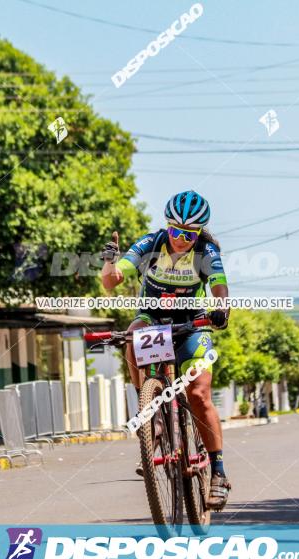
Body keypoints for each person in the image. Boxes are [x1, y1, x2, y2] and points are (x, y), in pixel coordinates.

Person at [99, 190, 232, 511]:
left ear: (199, 233)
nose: (182, 238)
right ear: (167, 226)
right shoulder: (150, 244)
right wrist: (108, 260)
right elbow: (111, 282)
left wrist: (222, 309)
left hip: (192, 322)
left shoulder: (205, 250)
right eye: (176, 231)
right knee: (132, 336)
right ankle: (150, 415)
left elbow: (218, 284)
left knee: (199, 396)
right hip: (153, 318)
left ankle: (218, 472)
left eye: (190, 233)